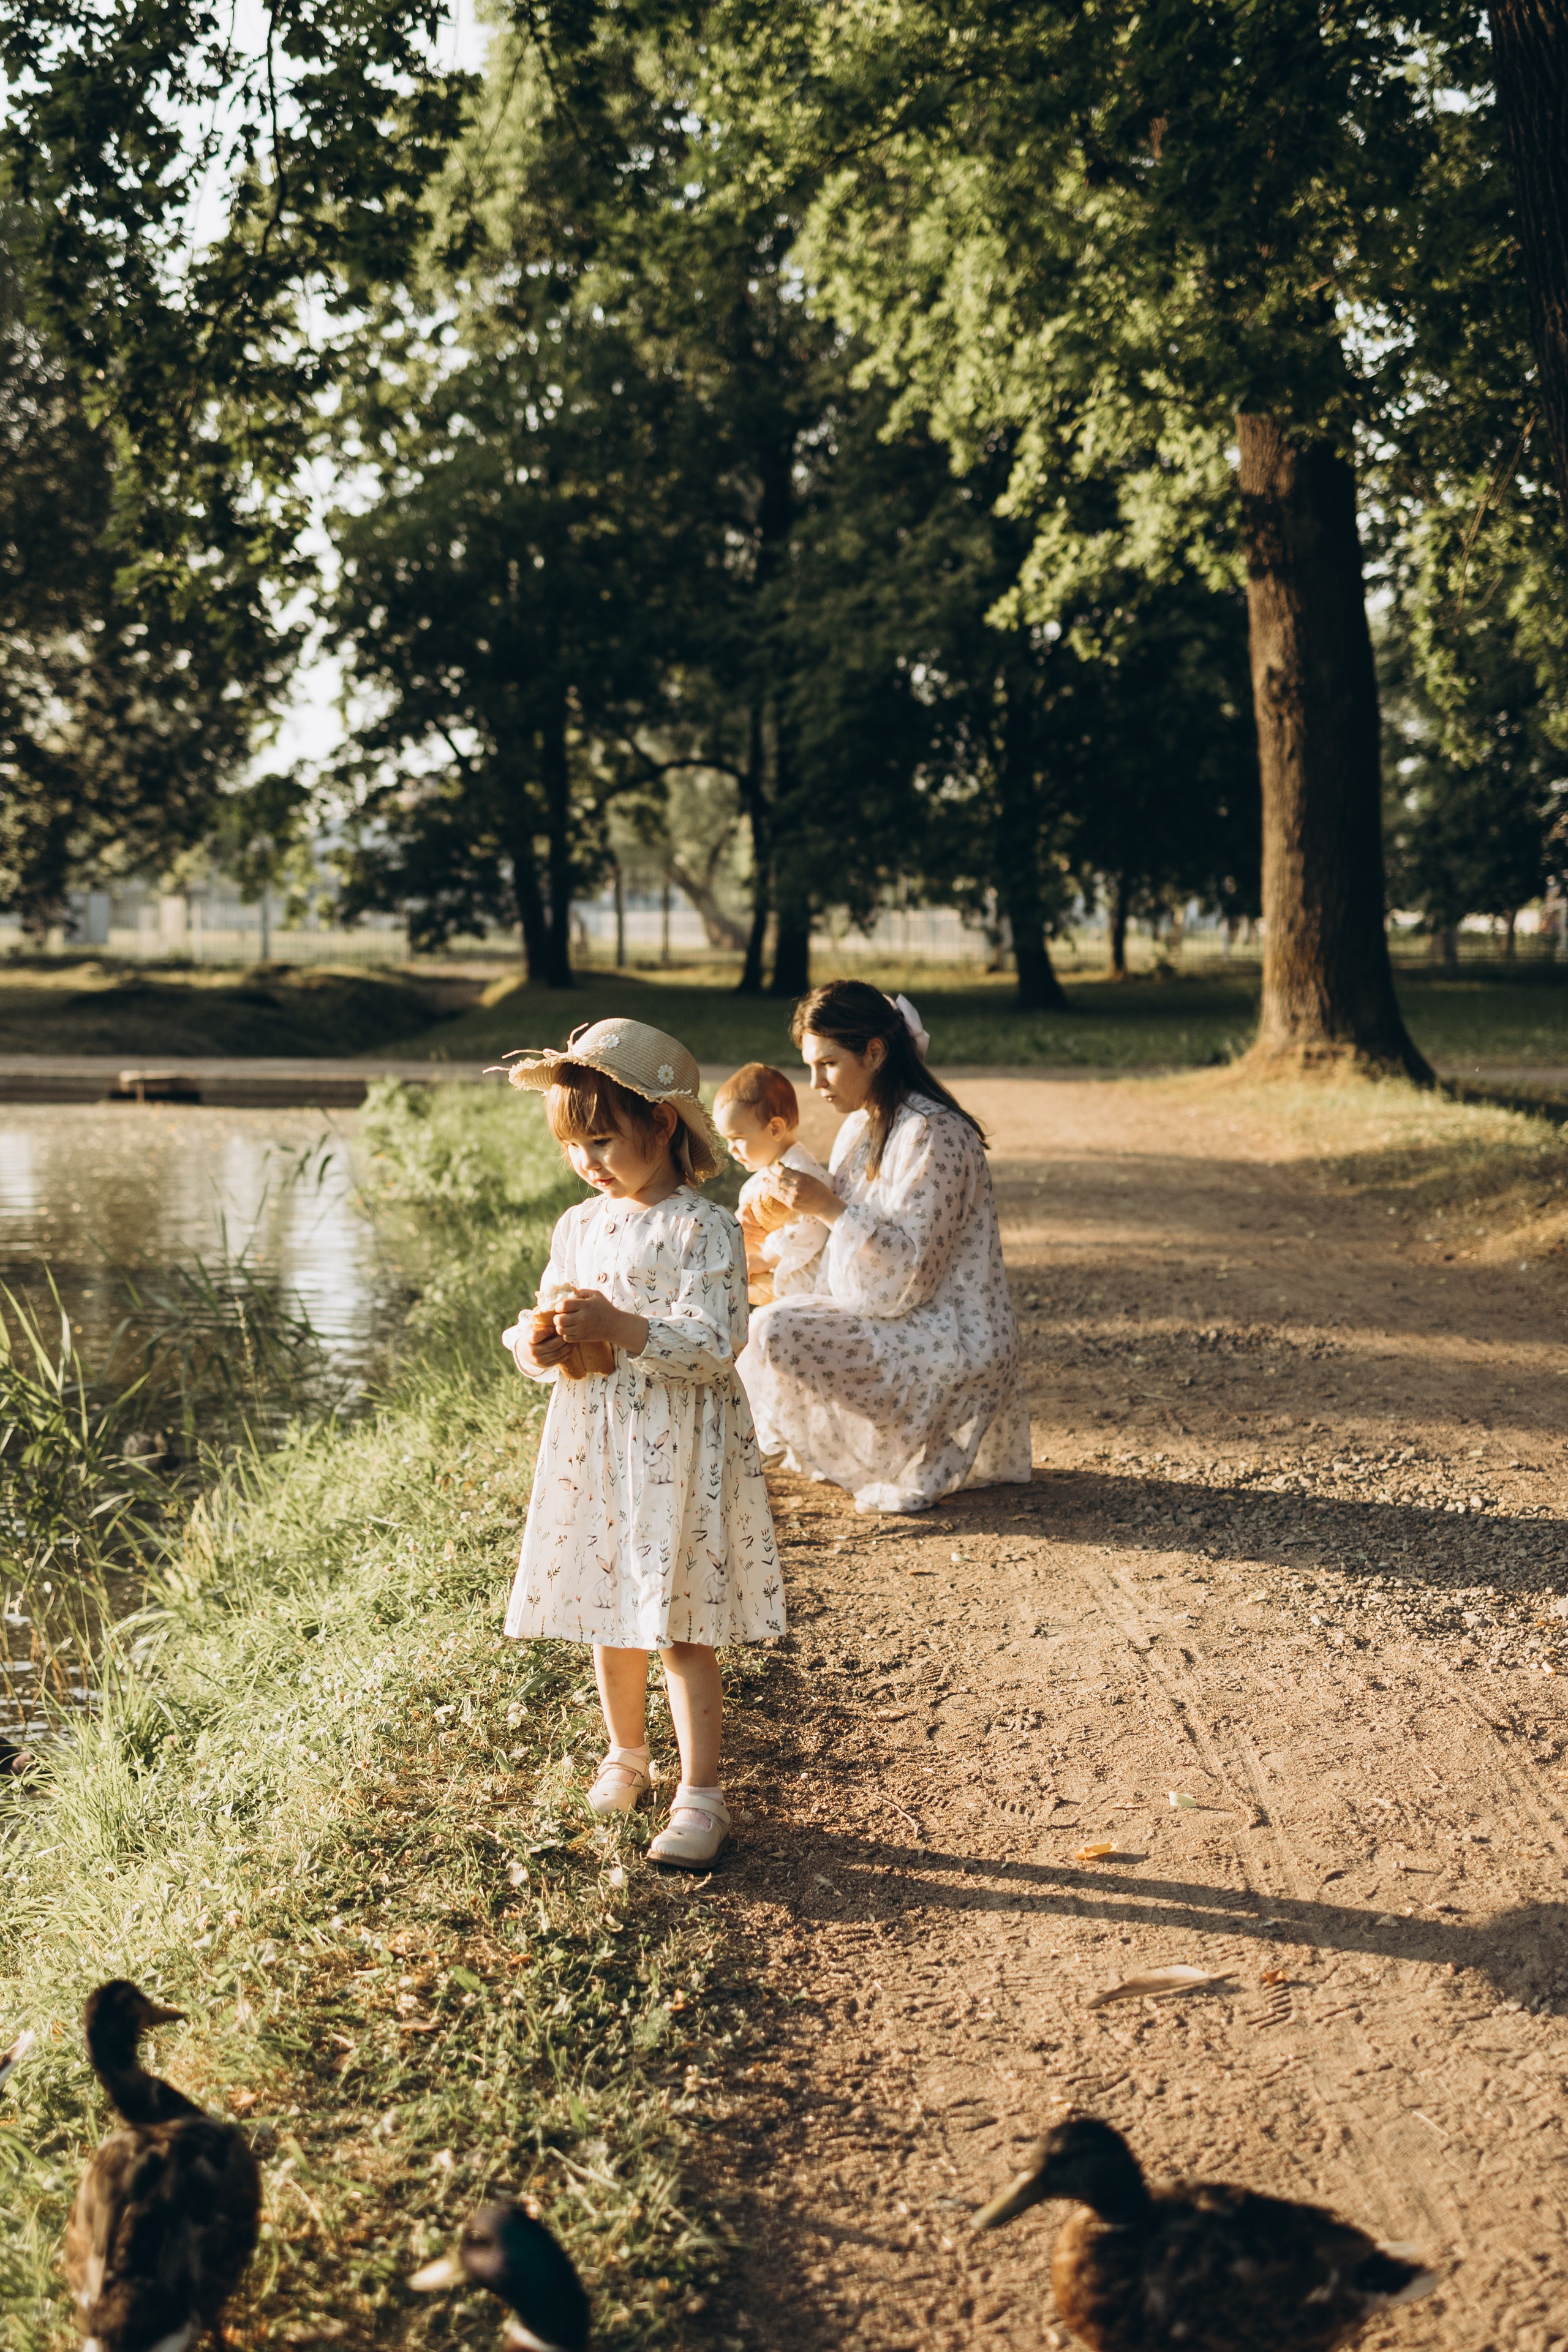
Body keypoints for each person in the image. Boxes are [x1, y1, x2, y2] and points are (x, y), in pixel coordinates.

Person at [498, 1017, 783, 1869]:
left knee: (678, 1624)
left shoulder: (704, 1229)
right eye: (572, 1144)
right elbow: (541, 1313)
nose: (587, 1160)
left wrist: (623, 1326)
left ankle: (702, 1794)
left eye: (602, 1138)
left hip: (679, 1447)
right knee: (609, 1608)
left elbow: (717, 1340)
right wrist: (538, 1345)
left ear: (661, 1124)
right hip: (598, 1440)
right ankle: (626, 1752)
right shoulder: (579, 1224)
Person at [739, 980, 1031, 1515]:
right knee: (757, 1318)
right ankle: (897, 1445)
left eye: (827, 1063)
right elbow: (842, 1266)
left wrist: (826, 1206)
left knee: (776, 1329)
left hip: (951, 1334)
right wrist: (764, 1264)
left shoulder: (933, 1133)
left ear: (874, 1051)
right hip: (898, 1317)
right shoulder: (860, 1127)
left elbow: (910, 1279)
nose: (815, 1083)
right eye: (808, 1065)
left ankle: (922, 1442)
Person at [713, 1060, 831, 1306]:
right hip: (774, 1268)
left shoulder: (802, 1176)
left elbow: (810, 1230)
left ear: (775, 1128)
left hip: (804, 1280)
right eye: (727, 1140)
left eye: (738, 1138)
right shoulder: (769, 1172)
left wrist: (766, 1258)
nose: (731, 1149)